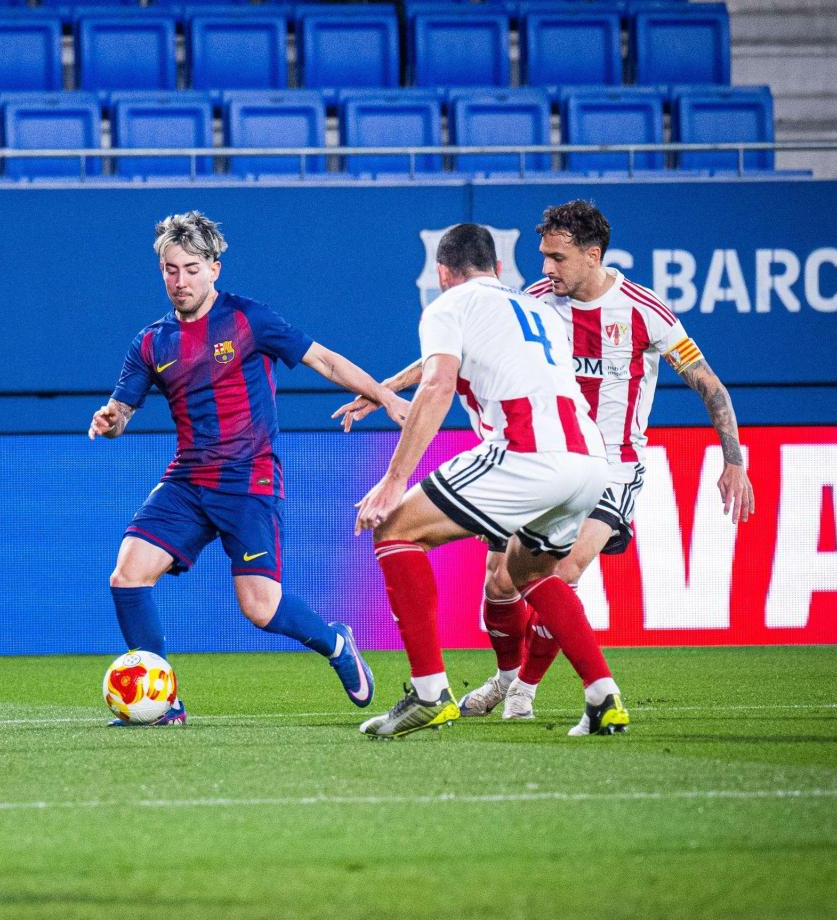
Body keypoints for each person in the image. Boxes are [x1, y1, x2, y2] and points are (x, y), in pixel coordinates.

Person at [349, 202, 755, 723]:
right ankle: (561, 687)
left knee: (551, 567)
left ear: (593, 256)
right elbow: (461, 347)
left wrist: (734, 459)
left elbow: (709, 383)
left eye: (558, 258)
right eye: (543, 257)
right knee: (505, 582)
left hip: (606, 464)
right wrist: (385, 389)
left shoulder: (643, 310)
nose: (546, 269)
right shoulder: (537, 302)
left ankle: (509, 690)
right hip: (573, 459)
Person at [88, 211, 410, 724]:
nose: (180, 280)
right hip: (188, 480)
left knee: (260, 608)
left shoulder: (247, 320)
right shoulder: (150, 342)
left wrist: (384, 397)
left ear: (215, 268)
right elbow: (121, 411)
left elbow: (324, 360)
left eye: (191, 268)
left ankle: (336, 643)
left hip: (248, 479)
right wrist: (109, 421)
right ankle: (164, 702)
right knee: (128, 573)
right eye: (170, 270)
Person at [348, 223, 630, 739]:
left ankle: (430, 694)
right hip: (589, 463)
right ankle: (602, 696)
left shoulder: (446, 306)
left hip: (525, 450)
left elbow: (437, 383)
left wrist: (394, 479)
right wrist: (387, 387)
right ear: (499, 268)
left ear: (442, 274)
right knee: (531, 574)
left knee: (395, 530)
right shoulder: (537, 308)